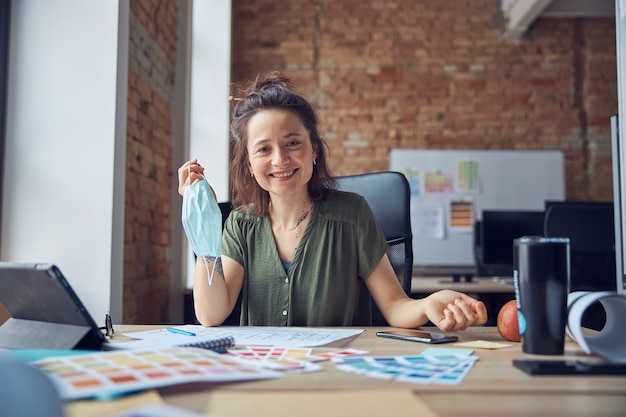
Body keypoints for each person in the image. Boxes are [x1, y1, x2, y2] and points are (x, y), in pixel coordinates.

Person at [178, 72, 488, 331]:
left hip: (335, 373)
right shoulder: (240, 225)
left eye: (292, 143)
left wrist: (428, 304)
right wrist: (202, 227)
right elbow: (211, 314)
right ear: (248, 164)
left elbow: (395, 307)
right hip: (261, 378)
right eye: (263, 149)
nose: (280, 159)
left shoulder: (353, 214)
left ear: (313, 149)